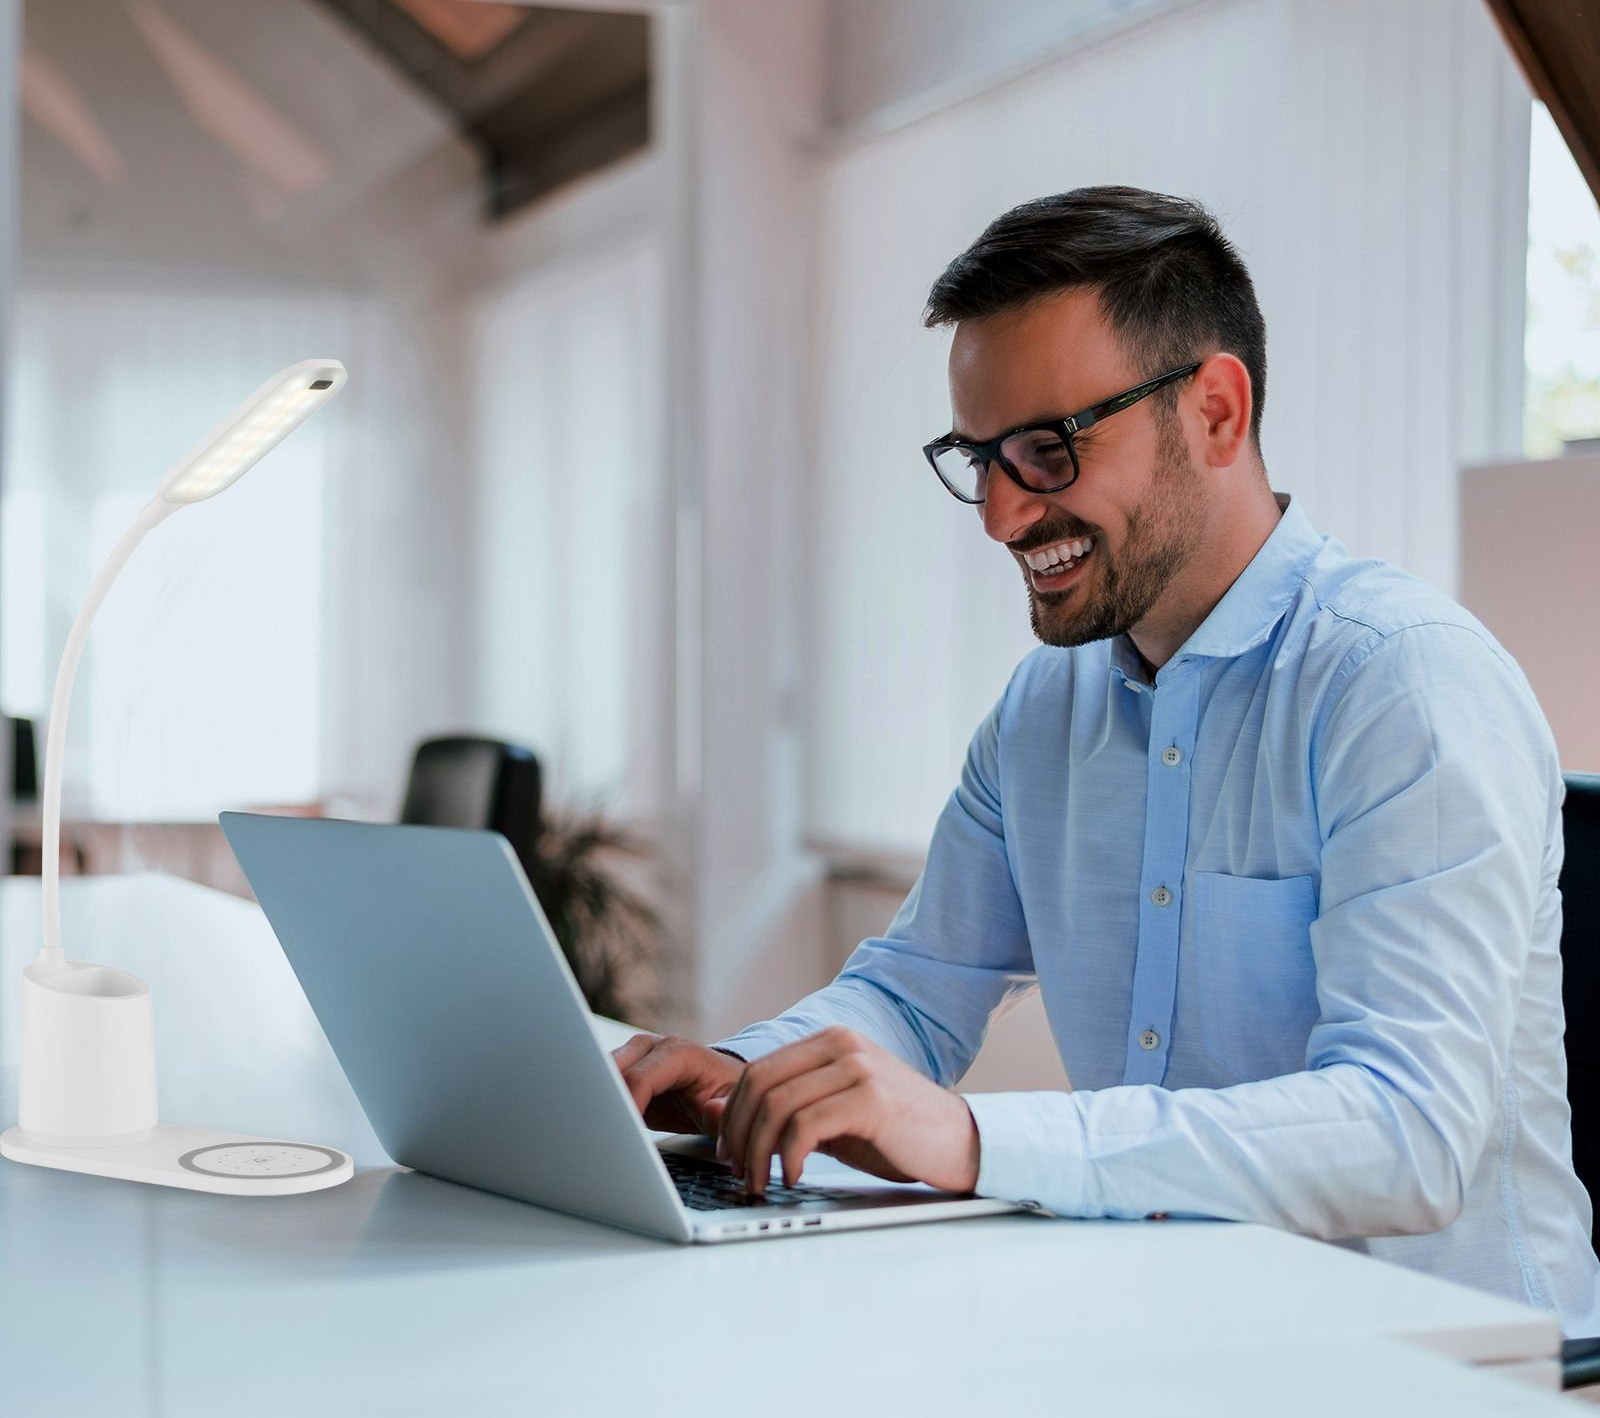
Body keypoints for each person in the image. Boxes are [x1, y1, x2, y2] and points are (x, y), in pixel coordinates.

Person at [614, 186, 1600, 1334]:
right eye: (976, 457)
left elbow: (1407, 1134)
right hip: (1169, 1333)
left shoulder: (1404, 684)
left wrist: (973, 1137)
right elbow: (915, 988)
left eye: (1046, 449)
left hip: (1443, 1381)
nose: (998, 517)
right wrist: (740, 1072)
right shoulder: (1050, 703)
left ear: (1217, 413)